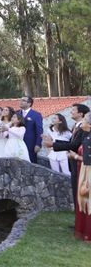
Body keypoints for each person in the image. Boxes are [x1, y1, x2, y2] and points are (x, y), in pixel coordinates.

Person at [45, 103, 90, 205]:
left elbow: (74, 145)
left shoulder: (84, 129)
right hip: (74, 163)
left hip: (81, 163)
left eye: (73, 110)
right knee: (76, 191)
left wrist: (53, 144)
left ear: (81, 114)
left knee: (81, 193)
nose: (71, 112)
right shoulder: (76, 126)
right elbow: (70, 143)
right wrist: (53, 144)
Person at [68, 111, 91, 242]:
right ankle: (83, 230)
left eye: (86, 120)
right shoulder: (87, 136)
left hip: (89, 173)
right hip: (84, 172)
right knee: (84, 201)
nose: (83, 122)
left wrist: (75, 156)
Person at [18, 95, 43, 163]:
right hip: (17, 143)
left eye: (23, 100)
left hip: (30, 144)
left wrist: (38, 144)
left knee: (31, 163)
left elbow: (39, 131)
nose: (20, 102)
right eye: (20, 100)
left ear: (29, 103)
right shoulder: (16, 113)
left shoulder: (36, 115)